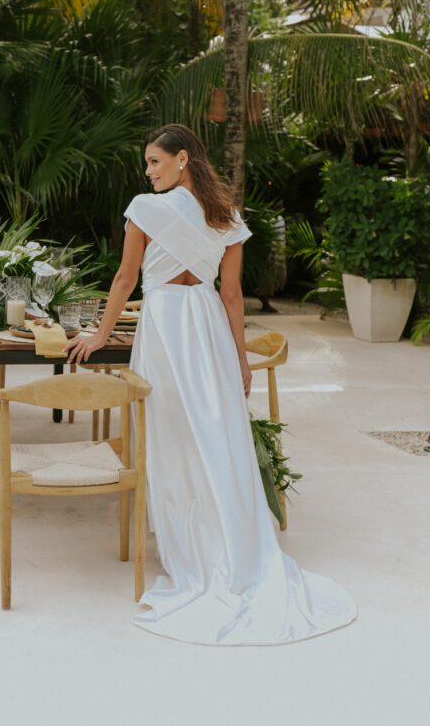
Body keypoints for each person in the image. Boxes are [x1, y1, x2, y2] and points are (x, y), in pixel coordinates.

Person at [64, 124, 357, 645]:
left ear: (182, 160)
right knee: (218, 435)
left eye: (155, 161)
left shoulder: (145, 209)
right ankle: (231, 543)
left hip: (165, 327)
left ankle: (191, 546)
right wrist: (238, 359)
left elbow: (125, 280)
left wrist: (100, 333)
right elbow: (231, 296)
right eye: (147, 164)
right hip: (207, 328)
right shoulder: (227, 217)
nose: (148, 172)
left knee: (173, 434)